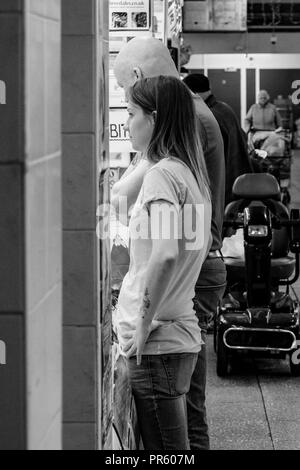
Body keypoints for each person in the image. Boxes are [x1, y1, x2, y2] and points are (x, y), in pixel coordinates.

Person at [112, 37, 227, 451]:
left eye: (131, 111)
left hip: (160, 340)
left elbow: (165, 254)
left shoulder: (164, 174)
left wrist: (142, 325)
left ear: (153, 119)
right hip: (178, 333)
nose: (126, 122)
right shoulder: (186, 169)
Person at [183, 73, 253, 206]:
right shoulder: (224, 108)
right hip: (238, 180)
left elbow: (202, 157)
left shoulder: (206, 117)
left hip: (223, 189)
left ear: (193, 93)